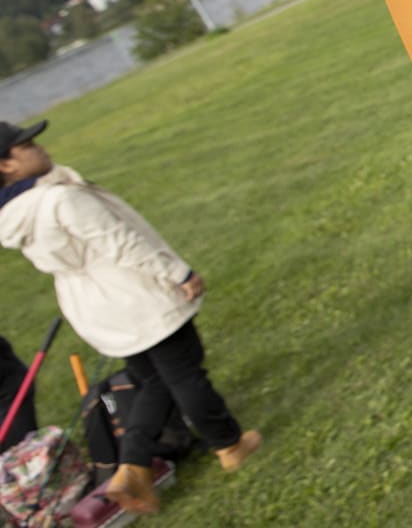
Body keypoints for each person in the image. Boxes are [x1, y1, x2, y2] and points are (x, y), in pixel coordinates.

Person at [0, 120, 262, 515]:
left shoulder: (18, 213)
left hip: (99, 305)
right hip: (133, 292)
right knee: (185, 372)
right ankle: (229, 444)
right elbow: (123, 243)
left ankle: (131, 467)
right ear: (6, 165)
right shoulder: (58, 200)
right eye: (28, 146)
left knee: (154, 380)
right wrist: (179, 273)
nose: (40, 147)